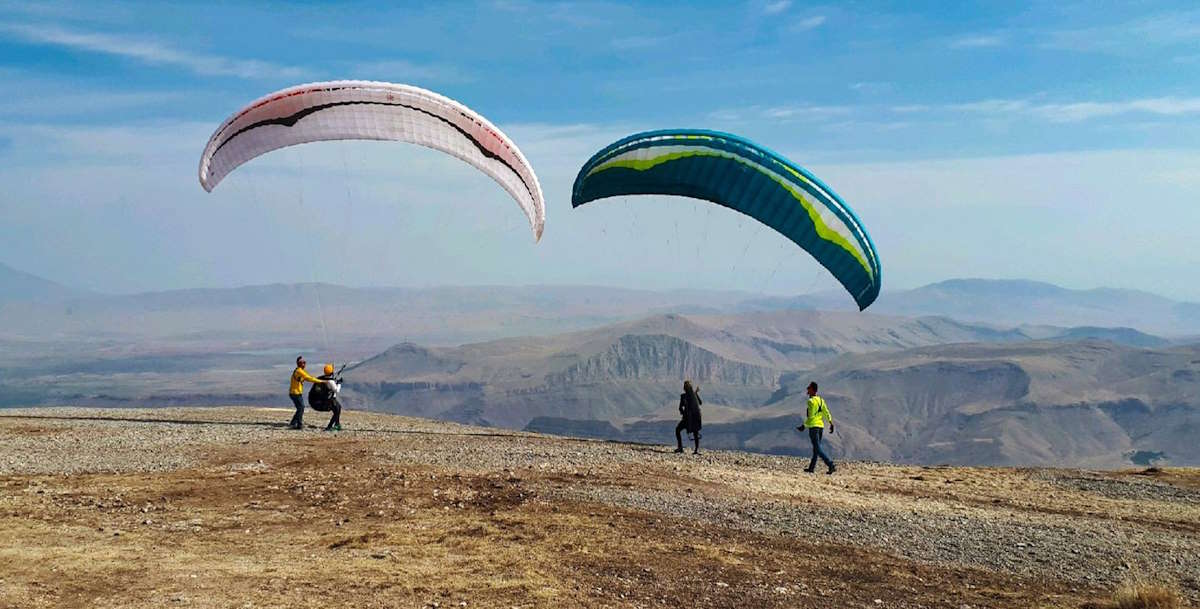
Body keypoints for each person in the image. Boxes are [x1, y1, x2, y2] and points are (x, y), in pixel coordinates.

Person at [796, 381, 836, 474]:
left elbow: (811, 416)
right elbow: (826, 412)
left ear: (813, 390)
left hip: (813, 427)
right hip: (820, 426)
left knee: (817, 449)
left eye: (809, 388)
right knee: (816, 448)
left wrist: (804, 426)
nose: (807, 389)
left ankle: (830, 464)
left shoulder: (811, 401)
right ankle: (811, 468)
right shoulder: (821, 401)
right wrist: (831, 422)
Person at [288, 356, 322, 429]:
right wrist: (321, 381)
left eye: (304, 362)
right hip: (295, 393)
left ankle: (293, 422)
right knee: (301, 408)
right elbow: (309, 378)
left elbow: (307, 377)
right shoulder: (299, 371)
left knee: (300, 408)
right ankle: (299, 425)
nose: (304, 364)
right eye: (303, 363)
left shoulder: (299, 371)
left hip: (294, 393)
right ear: (300, 364)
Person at [309, 363, 343, 432]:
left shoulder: (321, 378)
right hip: (325, 402)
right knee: (337, 410)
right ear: (331, 372)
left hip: (318, 401)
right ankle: (330, 426)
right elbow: (336, 390)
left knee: (337, 407)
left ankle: (337, 424)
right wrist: (339, 383)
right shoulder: (330, 381)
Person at [675, 380, 703, 454]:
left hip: (687, 419)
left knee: (678, 430)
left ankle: (680, 447)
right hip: (695, 418)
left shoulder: (683, 396)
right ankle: (696, 450)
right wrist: (696, 393)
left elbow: (680, 408)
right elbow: (700, 403)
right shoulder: (693, 395)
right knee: (695, 433)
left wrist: (683, 412)